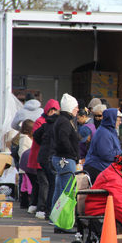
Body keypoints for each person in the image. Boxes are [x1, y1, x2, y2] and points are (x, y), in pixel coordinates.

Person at [51, 93, 80, 233]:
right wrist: (72, 153)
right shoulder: (64, 121)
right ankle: (63, 224)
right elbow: (64, 139)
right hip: (66, 159)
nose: (78, 110)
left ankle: (56, 220)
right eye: (76, 107)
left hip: (61, 158)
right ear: (70, 108)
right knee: (67, 192)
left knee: (59, 190)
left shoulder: (62, 120)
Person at [28, 99, 60, 218]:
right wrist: (45, 142)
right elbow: (36, 135)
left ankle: (37, 206)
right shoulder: (41, 121)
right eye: (51, 110)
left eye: (55, 110)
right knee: (45, 183)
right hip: (41, 156)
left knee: (43, 184)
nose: (52, 112)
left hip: (45, 156)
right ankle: (42, 208)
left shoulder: (50, 122)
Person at [84, 109, 122, 184]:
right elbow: (106, 155)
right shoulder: (104, 133)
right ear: (112, 120)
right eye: (118, 120)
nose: (120, 122)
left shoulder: (109, 131)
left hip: (101, 169)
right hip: (97, 169)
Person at [19, 119, 36, 211]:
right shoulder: (26, 139)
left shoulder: (22, 138)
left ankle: (23, 201)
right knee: (29, 183)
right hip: (28, 164)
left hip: (23, 164)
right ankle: (30, 200)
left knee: (24, 183)